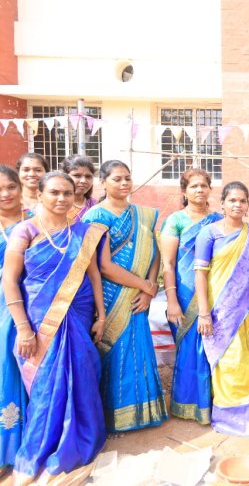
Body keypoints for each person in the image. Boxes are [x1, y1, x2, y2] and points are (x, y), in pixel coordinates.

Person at [2, 171, 107, 485]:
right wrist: (23, 328)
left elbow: (94, 275)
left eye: (67, 193)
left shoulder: (83, 232)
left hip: (78, 314)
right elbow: (9, 280)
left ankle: (74, 445)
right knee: (47, 388)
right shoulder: (26, 230)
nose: (62, 199)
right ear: (40, 194)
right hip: (38, 320)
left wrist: (101, 315)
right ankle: (39, 450)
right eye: (55, 193)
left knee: (82, 378)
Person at [82, 160, 167, 433]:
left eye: (127, 178)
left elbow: (154, 252)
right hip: (109, 296)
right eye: (117, 179)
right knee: (114, 353)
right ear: (103, 182)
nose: (124, 184)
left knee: (138, 350)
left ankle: (142, 413)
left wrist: (149, 288)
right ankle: (112, 417)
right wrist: (144, 284)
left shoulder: (143, 214)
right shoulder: (96, 216)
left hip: (139, 294)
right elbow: (103, 265)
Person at [194, 181, 249, 436]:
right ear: (222, 204)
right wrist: (204, 313)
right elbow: (200, 274)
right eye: (232, 200)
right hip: (221, 309)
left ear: (248, 204)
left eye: (242, 200)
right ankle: (231, 417)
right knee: (230, 361)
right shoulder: (209, 233)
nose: (237, 205)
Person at [161, 168, 223, 424]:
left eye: (203, 185)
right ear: (184, 191)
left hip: (215, 292)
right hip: (185, 294)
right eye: (193, 186)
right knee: (189, 348)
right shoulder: (175, 221)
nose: (199, 190)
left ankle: (215, 403)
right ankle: (188, 403)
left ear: (210, 189)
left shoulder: (219, 219)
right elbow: (168, 264)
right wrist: (172, 301)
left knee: (214, 345)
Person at [0, 166, 27, 477]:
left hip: (34, 304)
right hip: (4, 310)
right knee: (6, 367)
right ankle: (7, 446)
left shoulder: (36, 221)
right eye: (0, 190)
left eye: (11, 187)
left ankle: (33, 441)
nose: (6, 194)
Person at [61, 154, 98, 223]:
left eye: (88, 176)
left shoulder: (96, 206)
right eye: (77, 176)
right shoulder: (57, 204)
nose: (83, 181)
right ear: (64, 176)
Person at [16, 153, 49, 217]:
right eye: (26, 170)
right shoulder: (11, 200)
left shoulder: (53, 199)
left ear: (46, 173)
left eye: (38, 170)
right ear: (18, 173)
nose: (32, 174)